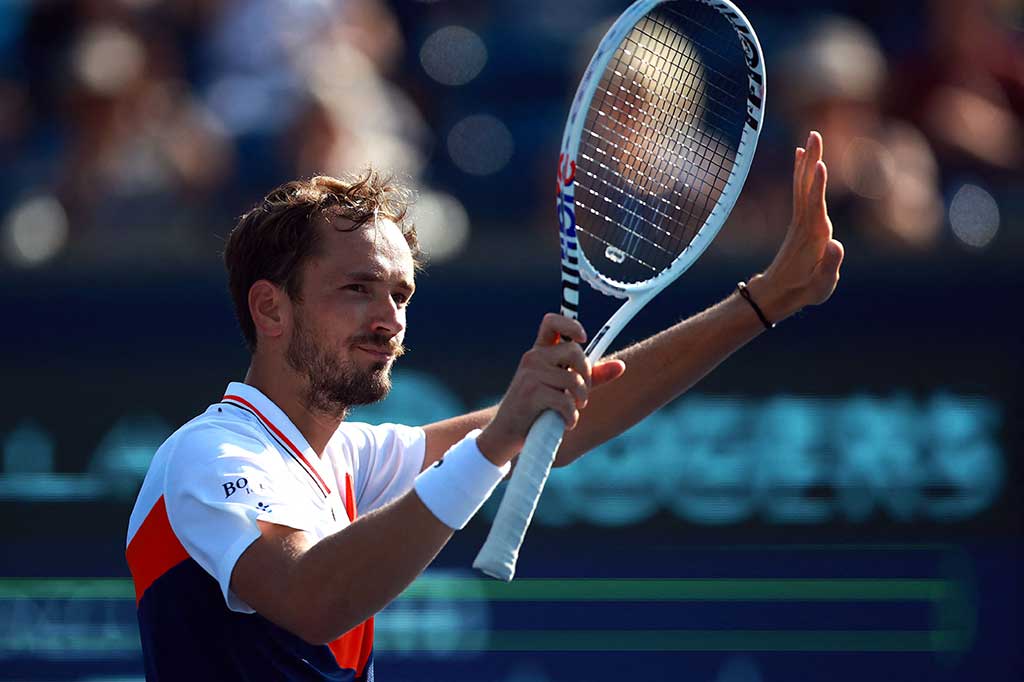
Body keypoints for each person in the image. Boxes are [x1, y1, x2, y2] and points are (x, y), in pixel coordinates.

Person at [126, 131, 843, 681]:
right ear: (269, 309)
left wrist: (764, 302)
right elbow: (314, 598)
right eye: (357, 290)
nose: (389, 319)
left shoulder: (340, 460)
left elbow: (555, 427)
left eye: (401, 295)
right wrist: (497, 439)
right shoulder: (210, 455)